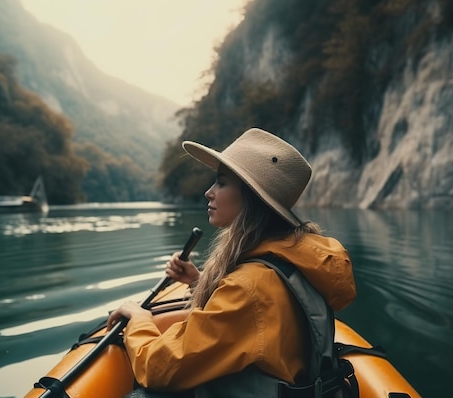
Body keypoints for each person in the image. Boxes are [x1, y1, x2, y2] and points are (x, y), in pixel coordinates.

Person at [107, 128, 357, 397]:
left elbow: (158, 369)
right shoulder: (293, 259)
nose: (208, 192)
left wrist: (141, 320)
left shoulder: (248, 287)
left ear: (252, 198)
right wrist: (197, 281)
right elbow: (264, 315)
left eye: (221, 182)